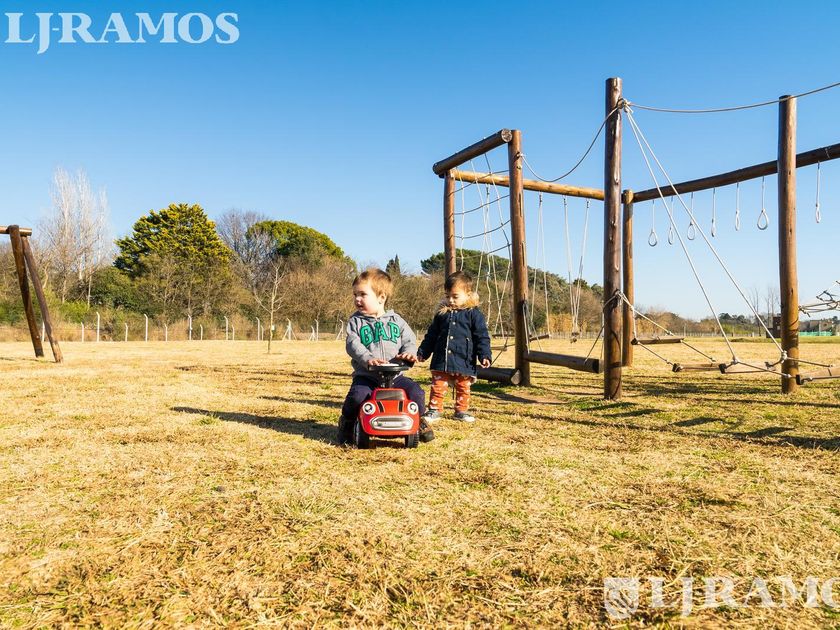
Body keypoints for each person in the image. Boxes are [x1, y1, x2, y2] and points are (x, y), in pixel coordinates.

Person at [337, 268, 434, 445]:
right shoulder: (356, 322)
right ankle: (348, 422)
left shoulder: (397, 321)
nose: (357, 299)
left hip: (395, 377)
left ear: (381, 297)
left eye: (363, 294)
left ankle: (419, 420)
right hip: (367, 376)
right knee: (357, 396)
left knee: (416, 392)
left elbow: (409, 340)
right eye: (355, 294)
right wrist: (367, 359)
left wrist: (409, 353)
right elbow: (352, 344)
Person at [416, 271, 492, 423]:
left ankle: (461, 411)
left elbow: (482, 336)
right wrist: (423, 352)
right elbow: (431, 335)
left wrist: (484, 355)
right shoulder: (441, 314)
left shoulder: (474, 314)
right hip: (441, 359)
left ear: (468, 295)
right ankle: (434, 409)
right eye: (447, 296)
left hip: (464, 359)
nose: (450, 300)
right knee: (438, 386)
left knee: (463, 387)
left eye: (455, 296)